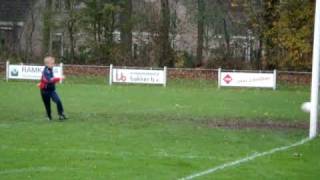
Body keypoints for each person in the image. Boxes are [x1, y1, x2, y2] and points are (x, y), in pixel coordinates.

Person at [38, 56, 67, 121]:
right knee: (47, 105)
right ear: (47, 64)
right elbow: (49, 80)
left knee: (58, 101)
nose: (53, 65)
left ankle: (61, 114)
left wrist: (42, 82)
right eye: (52, 63)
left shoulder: (50, 69)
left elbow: (47, 80)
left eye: (53, 63)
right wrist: (60, 78)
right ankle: (49, 116)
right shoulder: (45, 71)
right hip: (44, 91)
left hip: (51, 90)